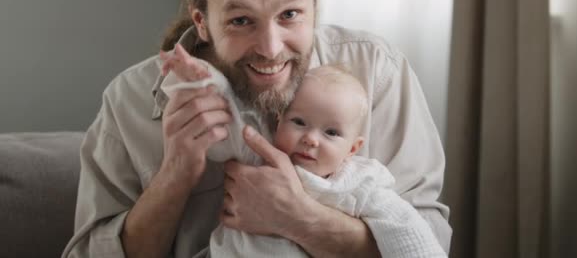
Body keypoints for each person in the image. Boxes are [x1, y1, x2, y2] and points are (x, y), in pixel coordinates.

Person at [62, 0, 451, 257]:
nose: (270, 48)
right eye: (241, 21)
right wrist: (176, 174)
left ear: (314, 5)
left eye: (290, 15)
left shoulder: (377, 72)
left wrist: (298, 219)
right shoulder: (129, 99)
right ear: (202, 20)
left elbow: (429, 241)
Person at [159, 48, 448, 257]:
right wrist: (198, 80)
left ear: (353, 148)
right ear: (279, 120)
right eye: (299, 122)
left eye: (331, 133)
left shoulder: (360, 184)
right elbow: (229, 121)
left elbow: (407, 232)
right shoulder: (262, 155)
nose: (311, 139)